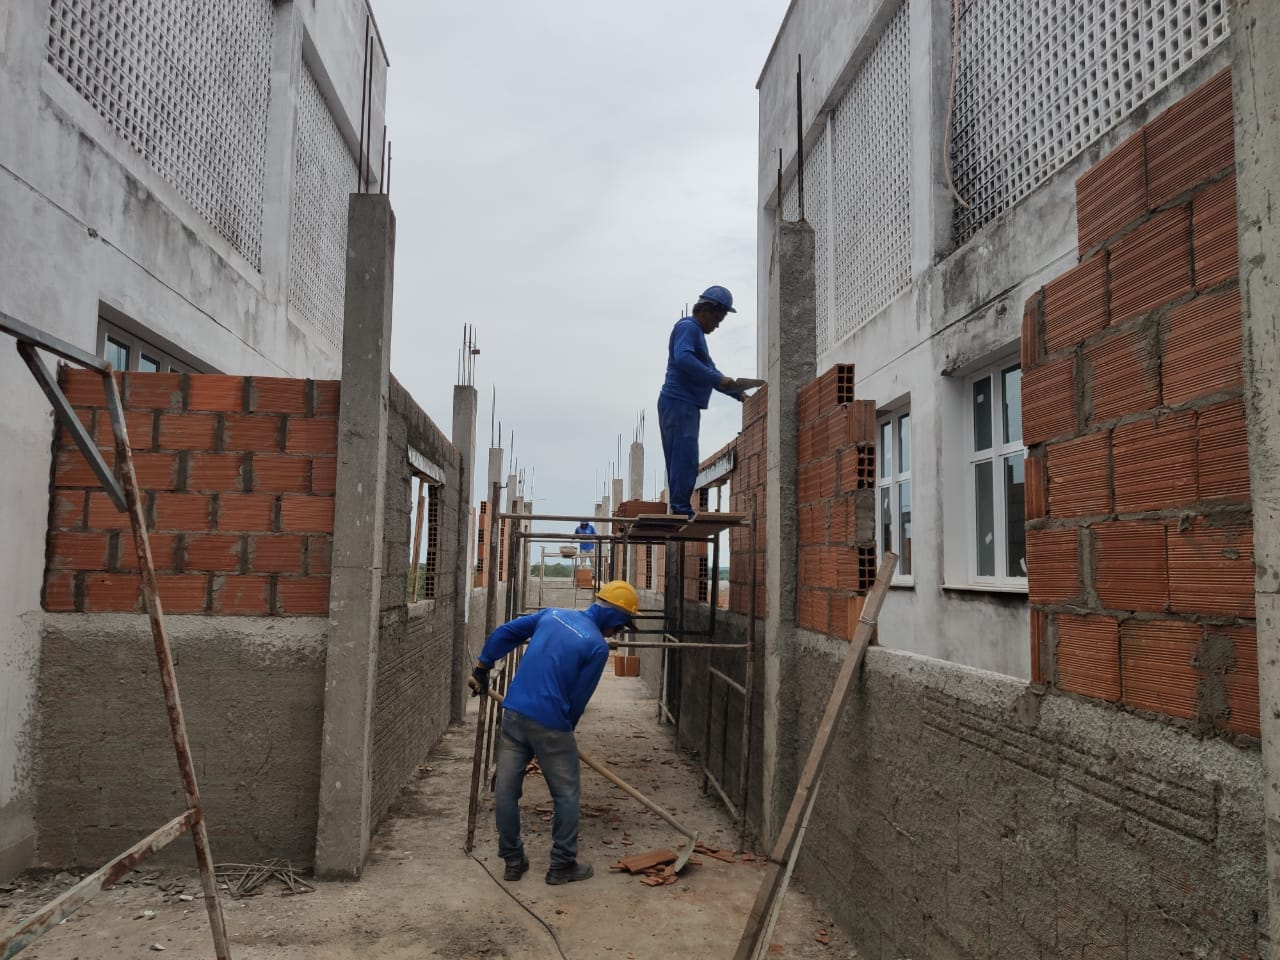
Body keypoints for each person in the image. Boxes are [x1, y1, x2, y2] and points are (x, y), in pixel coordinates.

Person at [468, 580, 639, 885]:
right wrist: (562, 734)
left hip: (514, 714)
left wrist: (482, 668)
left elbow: (506, 632)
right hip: (551, 725)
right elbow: (578, 700)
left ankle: (513, 861)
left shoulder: (552, 614)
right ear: (614, 617)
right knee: (566, 794)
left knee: (506, 791)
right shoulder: (597, 646)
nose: (618, 633)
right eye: (621, 626)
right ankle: (561, 865)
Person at [658, 285, 748, 517]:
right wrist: (717, 379)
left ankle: (680, 507)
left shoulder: (695, 334)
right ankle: (681, 509)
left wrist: (739, 394)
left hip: (682, 404)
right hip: (679, 402)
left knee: (684, 457)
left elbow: (710, 372)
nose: (717, 325)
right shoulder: (688, 327)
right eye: (718, 319)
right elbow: (683, 359)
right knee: (684, 457)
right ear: (707, 311)